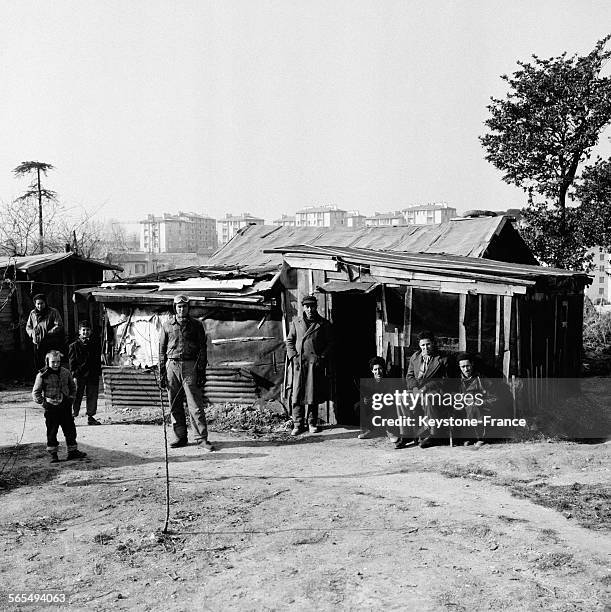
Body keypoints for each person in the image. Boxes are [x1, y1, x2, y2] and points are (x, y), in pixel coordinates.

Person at [159, 294, 214, 451]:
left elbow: (202, 350)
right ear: (175, 308)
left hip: (190, 366)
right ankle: (180, 436)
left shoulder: (196, 325)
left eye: (184, 307)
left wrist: (201, 372)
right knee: (174, 403)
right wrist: (162, 372)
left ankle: (201, 438)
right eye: (179, 307)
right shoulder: (167, 325)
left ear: (188, 308)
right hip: (172, 366)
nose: (182, 309)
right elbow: (161, 350)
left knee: (195, 404)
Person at [285, 294, 334, 436]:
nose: (310, 309)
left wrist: (322, 357)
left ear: (316, 306)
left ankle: (312, 423)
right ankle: (298, 424)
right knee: (297, 394)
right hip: (299, 364)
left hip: (314, 364)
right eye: (307, 306)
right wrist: (293, 356)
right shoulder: (296, 322)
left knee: (313, 394)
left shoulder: (323, 324)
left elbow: (331, 343)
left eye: (312, 306)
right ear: (303, 307)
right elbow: (289, 341)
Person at [32, 350, 87, 463]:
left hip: (65, 406)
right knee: (52, 431)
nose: (56, 364)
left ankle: (72, 452)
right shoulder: (42, 375)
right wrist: (44, 403)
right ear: (47, 362)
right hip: (51, 407)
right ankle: (53, 454)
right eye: (53, 362)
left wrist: (71, 398)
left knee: (70, 430)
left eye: (58, 362)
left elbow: (73, 387)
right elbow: (35, 392)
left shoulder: (66, 372)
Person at [404, 330, 454, 448]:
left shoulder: (442, 359)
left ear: (433, 343)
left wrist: (426, 387)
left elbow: (446, 380)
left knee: (428, 398)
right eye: (423, 345)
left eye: (428, 344)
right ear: (419, 346)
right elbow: (409, 376)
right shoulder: (415, 357)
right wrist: (415, 388)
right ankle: (405, 434)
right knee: (401, 399)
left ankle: (434, 435)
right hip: (416, 390)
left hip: (436, 390)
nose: (425, 347)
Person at [456, 353, 512, 446]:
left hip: (484, 408)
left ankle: (482, 438)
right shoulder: (458, 381)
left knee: (474, 408)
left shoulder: (482, 380)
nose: (466, 369)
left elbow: (494, 398)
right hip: (466, 408)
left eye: (468, 366)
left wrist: (480, 402)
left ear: (472, 365)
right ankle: (468, 437)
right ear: (459, 367)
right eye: (463, 367)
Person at [357, 356, 399, 443]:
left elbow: (391, 398)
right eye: (375, 369)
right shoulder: (368, 382)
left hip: (387, 408)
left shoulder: (390, 381)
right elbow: (365, 396)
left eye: (380, 369)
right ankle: (371, 430)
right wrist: (365, 400)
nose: (378, 372)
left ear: (383, 369)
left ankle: (390, 431)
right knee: (359, 406)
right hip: (374, 409)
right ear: (372, 371)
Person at [69, 320, 102, 426]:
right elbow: (72, 362)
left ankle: (91, 417)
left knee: (92, 395)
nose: (85, 332)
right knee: (76, 395)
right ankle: (72, 417)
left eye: (88, 330)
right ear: (79, 331)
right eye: (83, 330)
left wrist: (98, 373)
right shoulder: (73, 346)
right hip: (79, 375)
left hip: (92, 374)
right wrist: (74, 374)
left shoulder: (95, 344)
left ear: (91, 331)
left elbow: (97, 360)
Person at [25, 293, 64, 371]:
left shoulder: (53, 312)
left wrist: (49, 333)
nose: (40, 306)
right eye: (38, 304)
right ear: (35, 304)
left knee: (50, 361)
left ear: (45, 302)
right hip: (37, 342)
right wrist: (32, 334)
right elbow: (28, 326)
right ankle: (40, 378)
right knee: (38, 362)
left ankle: (52, 378)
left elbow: (59, 324)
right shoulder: (33, 313)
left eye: (41, 303)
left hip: (50, 341)